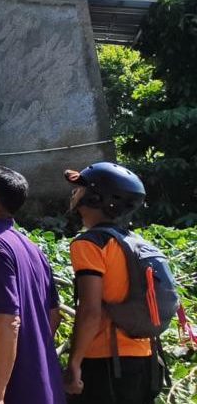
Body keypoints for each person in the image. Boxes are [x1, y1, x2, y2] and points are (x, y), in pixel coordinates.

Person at [63, 163, 163, 404]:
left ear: (97, 198)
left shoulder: (90, 244)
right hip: (147, 359)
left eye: (80, 189)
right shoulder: (137, 243)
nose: (74, 193)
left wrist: (74, 363)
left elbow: (90, 311)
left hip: (107, 362)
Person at [0, 166, 64, 404]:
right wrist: (34, 353)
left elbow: (8, 321)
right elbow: (54, 313)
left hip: (14, 390)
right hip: (43, 382)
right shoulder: (30, 247)